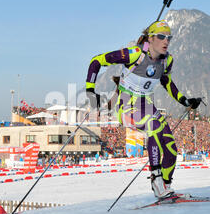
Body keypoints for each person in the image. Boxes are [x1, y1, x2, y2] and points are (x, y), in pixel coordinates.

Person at [86, 21, 201, 199]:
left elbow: (167, 82)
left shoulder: (167, 60)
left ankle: (165, 186)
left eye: (168, 38)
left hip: (146, 105)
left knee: (170, 147)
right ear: (151, 38)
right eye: (161, 37)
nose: (166, 41)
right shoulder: (134, 54)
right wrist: (90, 90)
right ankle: (156, 180)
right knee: (153, 125)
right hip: (126, 105)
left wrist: (185, 100)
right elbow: (96, 61)